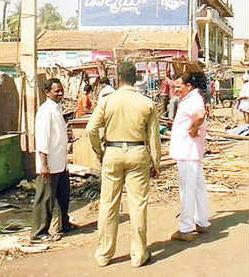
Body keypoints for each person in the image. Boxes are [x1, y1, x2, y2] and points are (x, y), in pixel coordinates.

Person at [86, 60, 161, 268]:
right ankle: (138, 255)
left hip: (112, 152)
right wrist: (156, 162)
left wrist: (100, 152)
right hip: (138, 153)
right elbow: (154, 138)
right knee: (138, 205)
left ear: (118, 77)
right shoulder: (146, 102)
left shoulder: (107, 101)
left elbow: (91, 129)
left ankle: (104, 254)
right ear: (135, 78)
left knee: (108, 204)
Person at [31, 78, 77, 242]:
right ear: (47, 92)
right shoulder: (45, 111)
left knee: (62, 197)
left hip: (60, 162)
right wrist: (43, 164)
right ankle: (39, 232)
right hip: (49, 164)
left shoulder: (56, 109)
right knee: (45, 198)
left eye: (61, 90)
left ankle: (63, 224)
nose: (60, 94)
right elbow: (42, 139)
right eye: (56, 91)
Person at [169, 72, 211, 242]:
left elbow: (201, 115)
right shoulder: (191, 97)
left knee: (187, 189)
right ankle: (202, 221)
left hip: (188, 151)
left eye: (178, 87)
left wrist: (193, 128)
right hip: (190, 151)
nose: (175, 90)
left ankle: (186, 228)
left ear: (188, 86)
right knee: (198, 187)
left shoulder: (194, 99)